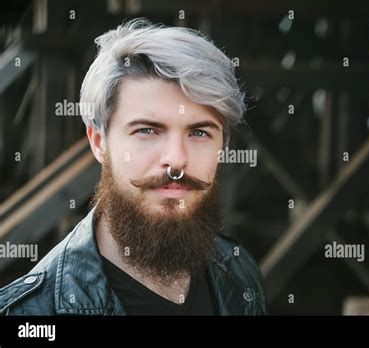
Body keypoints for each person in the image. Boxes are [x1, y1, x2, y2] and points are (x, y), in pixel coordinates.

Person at [0, 19, 266, 315]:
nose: (176, 159)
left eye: (199, 133)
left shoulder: (240, 272)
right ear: (100, 143)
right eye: (147, 131)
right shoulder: (31, 313)